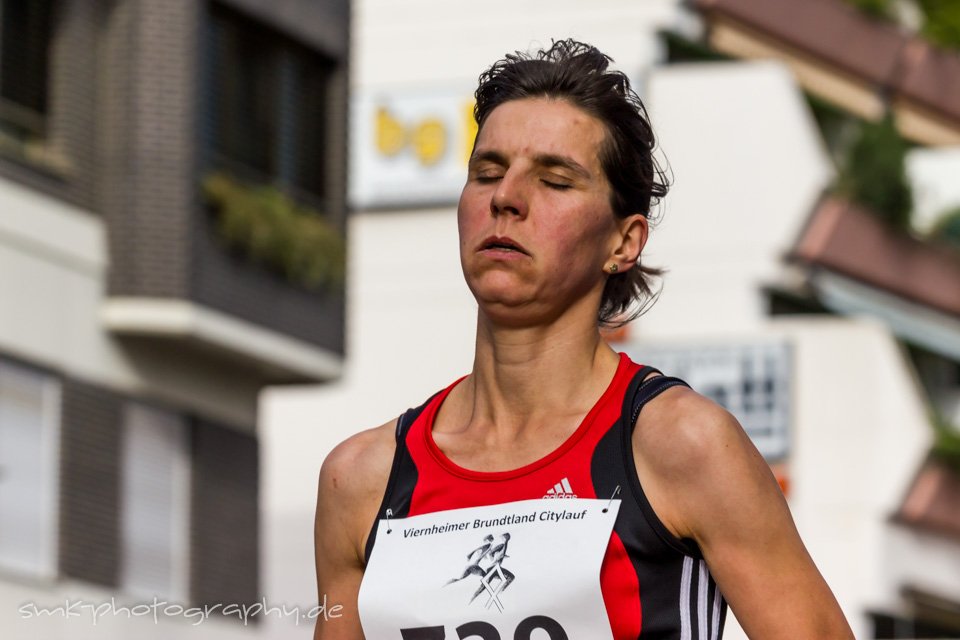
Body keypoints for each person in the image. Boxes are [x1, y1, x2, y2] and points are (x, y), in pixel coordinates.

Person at [314, 39, 853, 639]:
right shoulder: (360, 480)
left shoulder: (684, 446)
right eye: (487, 172)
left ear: (624, 243)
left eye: (555, 181)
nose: (505, 198)